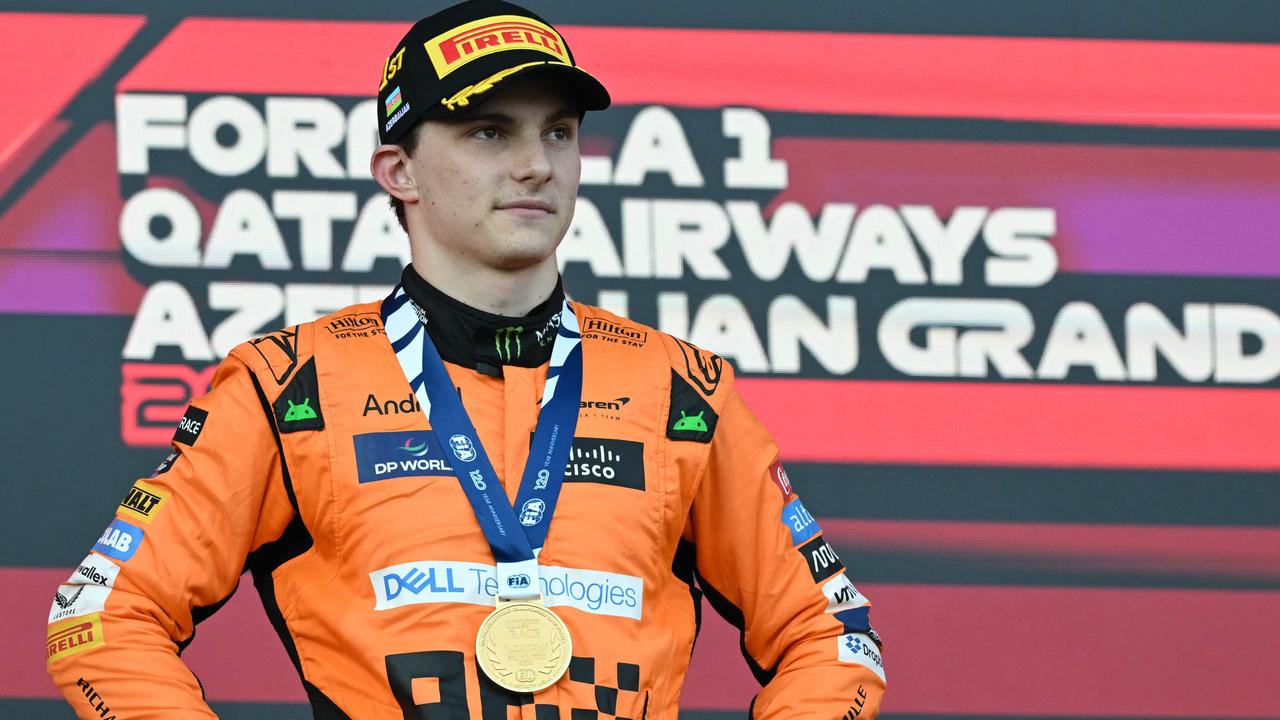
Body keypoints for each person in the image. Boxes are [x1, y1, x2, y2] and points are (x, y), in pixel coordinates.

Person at [45, 1, 886, 717]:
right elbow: (100, 618)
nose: (536, 165)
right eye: (490, 131)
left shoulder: (679, 387)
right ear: (398, 171)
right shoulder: (286, 382)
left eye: (559, 133)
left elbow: (833, 635)